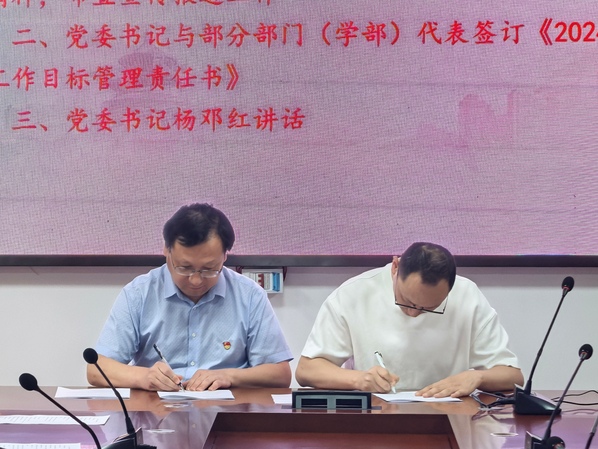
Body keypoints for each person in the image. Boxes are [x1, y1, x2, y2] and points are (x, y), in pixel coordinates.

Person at [88, 203, 293, 391]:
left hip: (227, 411)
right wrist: (144, 377)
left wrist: (229, 376)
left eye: (209, 269)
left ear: (225, 256)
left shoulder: (249, 296)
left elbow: (280, 374)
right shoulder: (139, 293)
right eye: (184, 268)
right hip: (156, 411)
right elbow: (96, 369)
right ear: (166, 251)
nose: (196, 280)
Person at [295, 242, 523, 398]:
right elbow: (307, 370)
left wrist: (477, 377)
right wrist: (358, 379)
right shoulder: (354, 294)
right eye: (406, 301)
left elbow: (513, 376)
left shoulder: (468, 296)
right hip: (375, 416)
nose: (414, 314)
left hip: (449, 418)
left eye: (430, 308)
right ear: (395, 268)